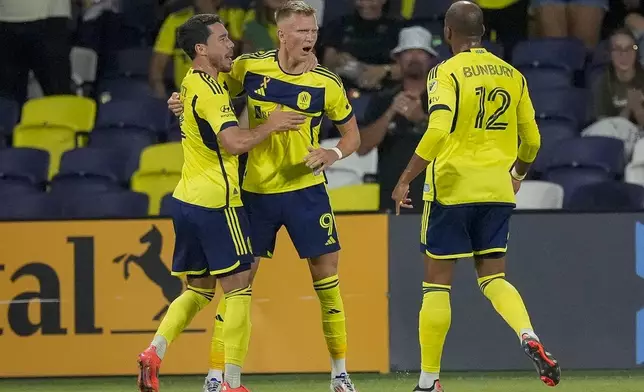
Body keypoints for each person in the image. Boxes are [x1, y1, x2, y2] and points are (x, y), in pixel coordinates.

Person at [168, 3, 361, 392]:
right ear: (282, 36)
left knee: (328, 283)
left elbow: (352, 134)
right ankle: (218, 375)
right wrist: (181, 103)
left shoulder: (328, 83)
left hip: (306, 193)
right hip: (255, 193)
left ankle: (340, 373)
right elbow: (212, 97)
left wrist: (332, 153)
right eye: (302, 32)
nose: (310, 38)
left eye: (313, 31)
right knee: (238, 287)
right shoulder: (249, 68)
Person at [390, 2, 560, 391]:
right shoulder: (513, 75)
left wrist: (404, 179)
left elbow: (436, 130)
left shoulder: (445, 73)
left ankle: (429, 381)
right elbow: (532, 139)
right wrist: (517, 173)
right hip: (497, 189)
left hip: (452, 187)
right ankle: (528, 335)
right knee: (494, 278)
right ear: (481, 32)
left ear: (448, 32)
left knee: (436, 285)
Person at [136, 13, 306, 392]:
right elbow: (232, 142)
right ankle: (231, 383)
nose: (231, 45)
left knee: (197, 290)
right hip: (218, 202)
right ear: (202, 49)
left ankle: (154, 352)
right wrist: (270, 124)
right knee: (240, 289)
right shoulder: (211, 92)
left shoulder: (192, 83)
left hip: (186, 200)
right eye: (223, 39)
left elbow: (213, 108)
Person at [358, 26, 438, 213]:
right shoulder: (383, 99)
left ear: (430, 59)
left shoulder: (445, 96)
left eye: (421, 52)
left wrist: (421, 120)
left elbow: (458, 144)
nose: (415, 57)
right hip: (393, 201)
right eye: (408, 52)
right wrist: (391, 112)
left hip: (436, 201)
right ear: (398, 59)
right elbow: (362, 147)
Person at [149, 0, 250, 97]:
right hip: (188, 97)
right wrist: (162, 97)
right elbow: (158, 66)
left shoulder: (234, 15)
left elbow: (235, 51)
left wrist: (211, 14)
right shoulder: (176, 20)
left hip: (224, 95)